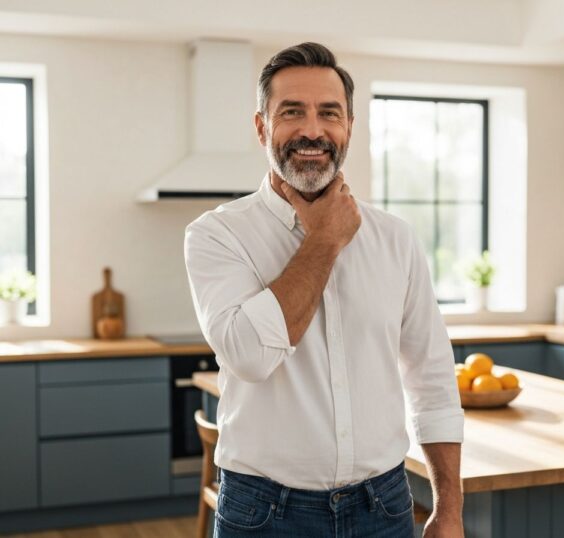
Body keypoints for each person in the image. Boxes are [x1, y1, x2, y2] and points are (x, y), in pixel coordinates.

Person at [184, 42, 464, 537]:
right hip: (264, 514)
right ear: (262, 127)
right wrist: (325, 239)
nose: (312, 130)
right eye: (292, 112)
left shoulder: (395, 238)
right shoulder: (216, 235)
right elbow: (250, 357)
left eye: (329, 113)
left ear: (349, 126)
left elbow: (432, 377)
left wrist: (449, 508)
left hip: (384, 508)